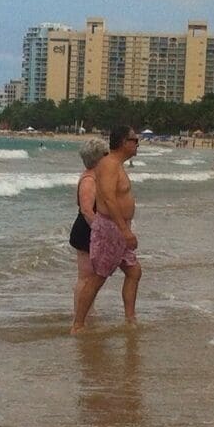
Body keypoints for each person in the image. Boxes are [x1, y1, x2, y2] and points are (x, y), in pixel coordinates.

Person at [71, 125, 142, 333]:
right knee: (97, 277)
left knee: (134, 272)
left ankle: (130, 319)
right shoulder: (110, 165)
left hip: (118, 228)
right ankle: (78, 325)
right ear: (123, 143)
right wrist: (125, 231)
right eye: (134, 140)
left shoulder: (116, 164)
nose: (137, 144)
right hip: (111, 229)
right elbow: (109, 200)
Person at [69, 138, 108, 325]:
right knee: (85, 277)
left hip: (91, 229)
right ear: (97, 157)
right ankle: (80, 315)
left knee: (92, 277)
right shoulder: (89, 179)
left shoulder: (96, 176)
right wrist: (101, 231)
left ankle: (88, 312)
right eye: (105, 155)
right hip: (86, 231)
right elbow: (86, 210)